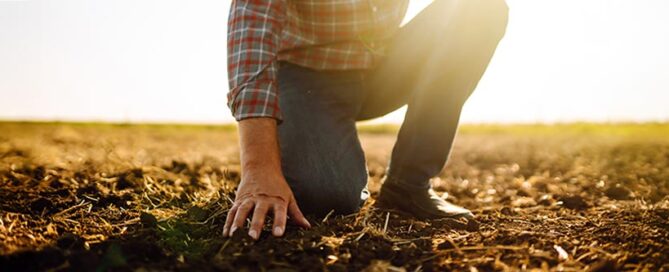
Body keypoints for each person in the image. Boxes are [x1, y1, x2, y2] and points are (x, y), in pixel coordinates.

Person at [222, 0, 509, 240]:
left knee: (481, 9)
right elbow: (252, 24)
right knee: (329, 198)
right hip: (306, 74)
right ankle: (297, 145)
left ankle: (409, 185)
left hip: (382, 64)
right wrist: (258, 167)